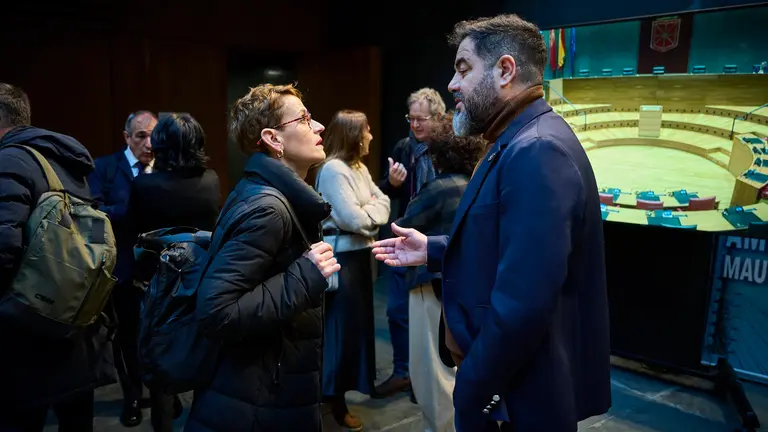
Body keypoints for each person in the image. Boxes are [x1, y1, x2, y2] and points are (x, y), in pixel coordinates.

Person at [372, 14, 611, 432]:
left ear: (505, 70)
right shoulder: (517, 139)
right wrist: (434, 248)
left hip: (517, 399)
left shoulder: (537, 150)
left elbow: (525, 302)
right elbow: (509, 246)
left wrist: (474, 386)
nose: (452, 84)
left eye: (464, 68)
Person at [185, 83, 341, 432]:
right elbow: (216, 311)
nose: (318, 128)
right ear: (273, 139)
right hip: (253, 402)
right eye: (304, 119)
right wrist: (304, 276)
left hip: (262, 389)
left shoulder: (267, 194)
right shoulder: (268, 208)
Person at [0, 83, 115, 431]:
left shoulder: (9, 160)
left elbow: (3, 246)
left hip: (25, 334)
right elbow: (94, 233)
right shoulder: (67, 161)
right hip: (76, 322)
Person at [127, 113, 221, 431]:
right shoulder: (211, 180)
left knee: (161, 366)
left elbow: (133, 237)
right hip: (201, 283)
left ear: (159, 146)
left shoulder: (143, 185)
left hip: (158, 288)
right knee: (204, 359)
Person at [394, 112, 486, 432]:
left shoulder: (437, 188)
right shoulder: (479, 186)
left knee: (432, 375)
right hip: (470, 290)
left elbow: (401, 231)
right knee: (457, 371)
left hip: (430, 289)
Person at [314, 110, 391, 431]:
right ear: (352, 136)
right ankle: (332, 401)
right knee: (339, 334)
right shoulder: (333, 170)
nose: (371, 136)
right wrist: (371, 211)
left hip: (359, 259)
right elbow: (353, 219)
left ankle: (336, 395)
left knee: (355, 331)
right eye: (367, 131)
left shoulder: (356, 167)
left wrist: (370, 210)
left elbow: (384, 201)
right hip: (341, 262)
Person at [374, 88, 447, 399]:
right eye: (411, 118)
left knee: (432, 317)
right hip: (403, 240)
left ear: (439, 118)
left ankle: (427, 377)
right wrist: (391, 184)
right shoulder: (403, 148)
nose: (415, 125)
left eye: (422, 119)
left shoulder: (449, 148)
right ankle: (403, 373)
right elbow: (383, 192)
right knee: (396, 312)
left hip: (434, 244)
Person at [88, 109, 158, 427]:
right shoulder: (104, 167)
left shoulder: (166, 168)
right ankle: (131, 396)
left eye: (153, 135)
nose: (148, 142)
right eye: (141, 135)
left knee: (156, 335)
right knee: (126, 336)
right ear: (127, 137)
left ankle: (160, 395)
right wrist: (130, 211)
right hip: (121, 267)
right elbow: (93, 211)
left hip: (160, 269)